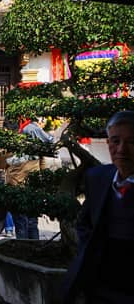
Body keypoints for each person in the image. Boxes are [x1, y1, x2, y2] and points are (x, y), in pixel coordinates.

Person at [63, 111, 134, 303]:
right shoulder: (98, 177)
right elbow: (84, 221)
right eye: (115, 141)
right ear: (108, 143)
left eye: (131, 142)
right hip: (99, 285)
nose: (122, 149)